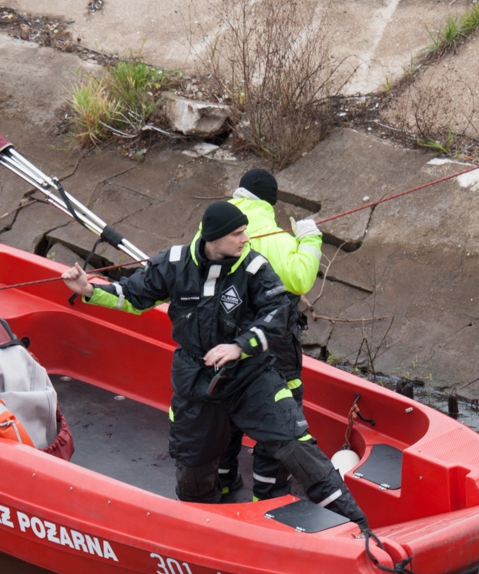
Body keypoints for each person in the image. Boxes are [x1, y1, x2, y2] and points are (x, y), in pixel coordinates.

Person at [61, 200, 371, 533]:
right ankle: (205, 530)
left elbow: (277, 313)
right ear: (213, 238)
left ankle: (360, 529)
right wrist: (88, 289)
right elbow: (133, 295)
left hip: (251, 378)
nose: (245, 239)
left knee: (298, 448)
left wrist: (241, 346)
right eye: (237, 233)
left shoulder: (254, 268)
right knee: (192, 467)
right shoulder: (175, 264)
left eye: (244, 232)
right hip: (197, 382)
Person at [216, 169, 322, 501]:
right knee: (278, 416)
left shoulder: (213, 227)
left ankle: (221, 483)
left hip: (225, 340)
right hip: (274, 345)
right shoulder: (278, 240)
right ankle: (269, 497)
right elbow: (300, 279)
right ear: (270, 203)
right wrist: (310, 239)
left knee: (225, 407)